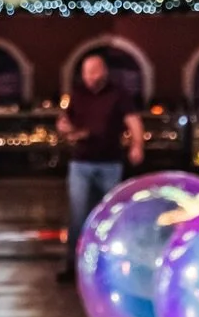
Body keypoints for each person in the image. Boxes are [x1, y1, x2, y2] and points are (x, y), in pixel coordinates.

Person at [57, 51, 144, 282]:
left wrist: (137, 145)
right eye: (86, 73)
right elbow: (65, 120)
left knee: (110, 216)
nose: (89, 77)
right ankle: (72, 267)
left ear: (103, 72)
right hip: (81, 161)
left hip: (110, 162)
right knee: (78, 216)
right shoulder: (77, 93)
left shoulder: (118, 94)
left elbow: (133, 121)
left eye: (93, 72)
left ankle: (107, 267)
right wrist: (65, 127)